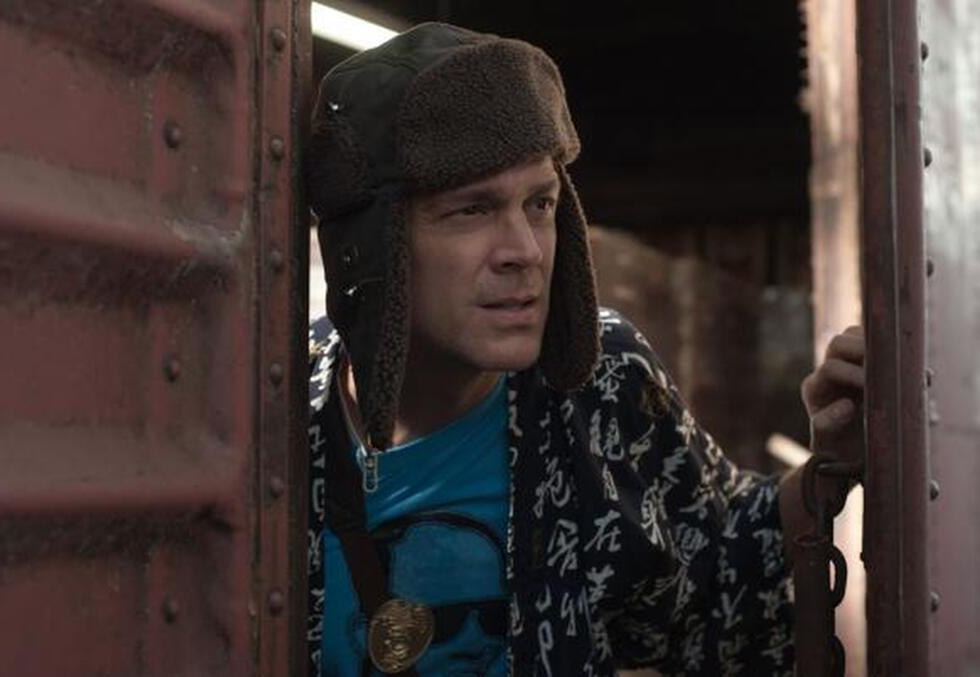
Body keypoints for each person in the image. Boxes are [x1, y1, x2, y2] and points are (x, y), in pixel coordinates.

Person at [304, 22, 864, 677]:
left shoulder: (600, 382)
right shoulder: (286, 403)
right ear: (371, 246)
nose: (525, 250)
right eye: (471, 210)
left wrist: (835, 461)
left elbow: (726, 553)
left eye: (539, 204)